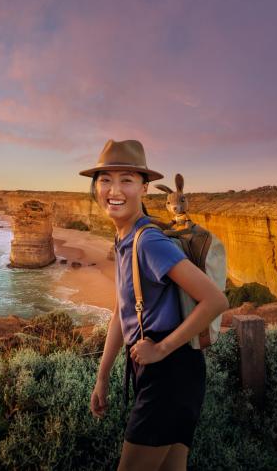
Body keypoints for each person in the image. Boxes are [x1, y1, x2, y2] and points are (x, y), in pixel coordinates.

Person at [81, 139, 228, 471]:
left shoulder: (148, 241)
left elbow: (215, 300)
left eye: (127, 180)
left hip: (169, 372)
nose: (113, 189)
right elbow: (123, 311)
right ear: (96, 186)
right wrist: (102, 376)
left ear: (144, 188)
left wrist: (161, 349)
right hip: (171, 373)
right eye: (105, 179)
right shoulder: (123, 238)